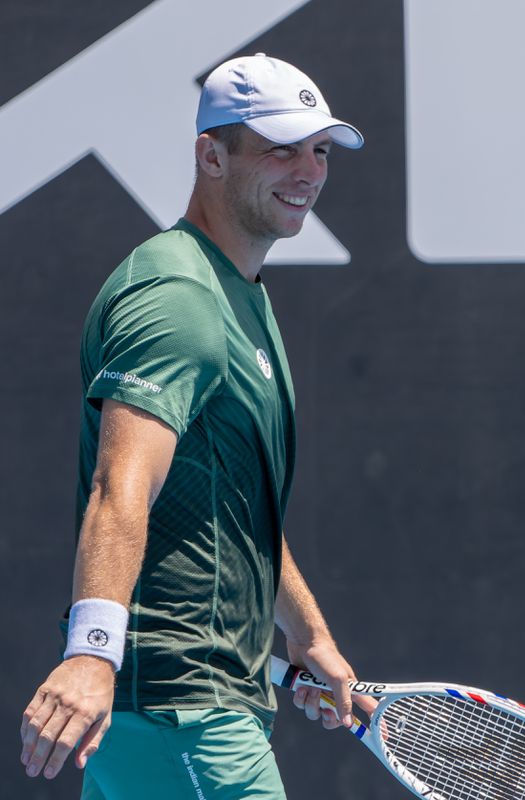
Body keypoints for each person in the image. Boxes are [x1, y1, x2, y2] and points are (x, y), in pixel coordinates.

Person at [19, 54, 370, 798]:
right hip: (181, 709)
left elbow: (231, 506)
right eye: (281, 148)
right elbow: (123, 485)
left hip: (186, 705)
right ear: (212, 155)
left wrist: (307, 636)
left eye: (320, 150)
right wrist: (91, 653)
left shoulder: (239, 294)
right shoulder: (178, 295)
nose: (308, 169)